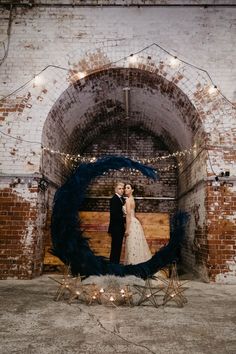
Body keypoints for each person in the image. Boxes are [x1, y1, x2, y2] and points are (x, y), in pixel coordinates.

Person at [123, 183, 152, 265]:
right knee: (135, 246)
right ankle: (136, 266)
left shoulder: (128, 200)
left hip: (132, 224)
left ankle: (133, 267)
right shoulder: (132, 199)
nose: (126, 189)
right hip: (135, 223)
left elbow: (128, 215)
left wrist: (127, 229)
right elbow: (133, 214)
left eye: (128, 188)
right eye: (125, 188)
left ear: (132, 190)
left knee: (132, 246)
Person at [108, 182, 126, 264]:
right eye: (120, 188)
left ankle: (115, 265)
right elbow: (114, 215)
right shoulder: (114, 199)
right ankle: (113, 266)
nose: (122, 190)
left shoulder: (122, 199)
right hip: (116, 228)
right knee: (115, 248)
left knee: (118, 248)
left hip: (120, 228)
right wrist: (125, 218)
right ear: (116, 189)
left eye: (122, 188)